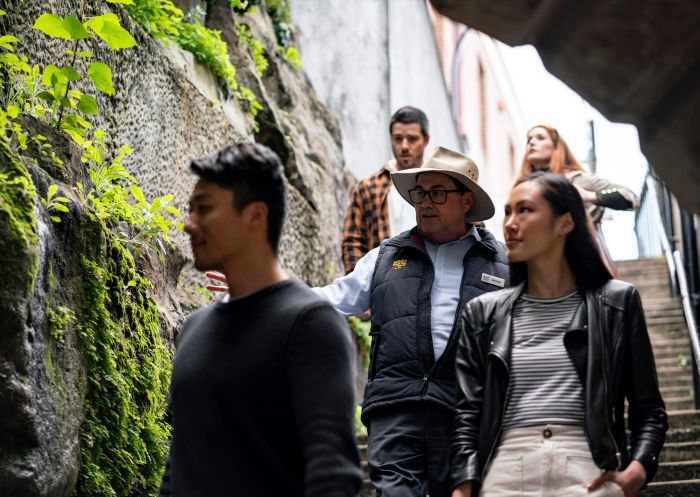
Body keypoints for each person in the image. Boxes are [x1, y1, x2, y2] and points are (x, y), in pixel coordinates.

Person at [158, 143, 362, 497]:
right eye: (190, 210)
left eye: (203, 209)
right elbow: (177, 469)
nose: (188, 224)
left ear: (255, 216)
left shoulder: (311, 325)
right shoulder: (194, 328)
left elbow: (333, 478)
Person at [450, 171, 667, 497]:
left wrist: (637, 468)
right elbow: (467, 414)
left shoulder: (618, 302)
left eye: (524, 210)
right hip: (507, 469)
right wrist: (463, 486)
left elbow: (647, 408)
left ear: (565, 223)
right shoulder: (482, 313)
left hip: (587, 464)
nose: (509, 223)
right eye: (508, 211)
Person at [316, 145, 509, 497]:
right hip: (395, 409)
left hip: (465, 415)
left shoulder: (502, 263)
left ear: (467, 201)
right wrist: (265, 289)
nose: (425, 202)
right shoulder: (388, 255)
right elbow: (333, 298)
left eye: (438, 193)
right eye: (420, 193)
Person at [342, 105, 431, 273]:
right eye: (398, 139)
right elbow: (353, 243)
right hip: (381, 283)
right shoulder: (368, 188)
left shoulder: (444, 184)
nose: (404, 146)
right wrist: (363, 284)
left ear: (426, 140)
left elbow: (471, 229)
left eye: (412, 139)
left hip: (430, 279)